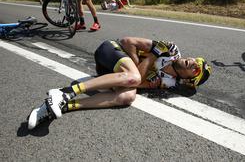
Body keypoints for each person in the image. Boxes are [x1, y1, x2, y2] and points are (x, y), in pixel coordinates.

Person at [27, 37, 212, 129]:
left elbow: (138, 84)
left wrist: (142, 67)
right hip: (109, 50)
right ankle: (68, 91)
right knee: (134, 77)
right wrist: (145, 61)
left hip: (115, 73)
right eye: (198, 60)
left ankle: (64, 104)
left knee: (127, 96)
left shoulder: (168, 83)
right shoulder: (170, 50)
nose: (194, 62)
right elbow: (127, 41)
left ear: (187, 80)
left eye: (196, 69)